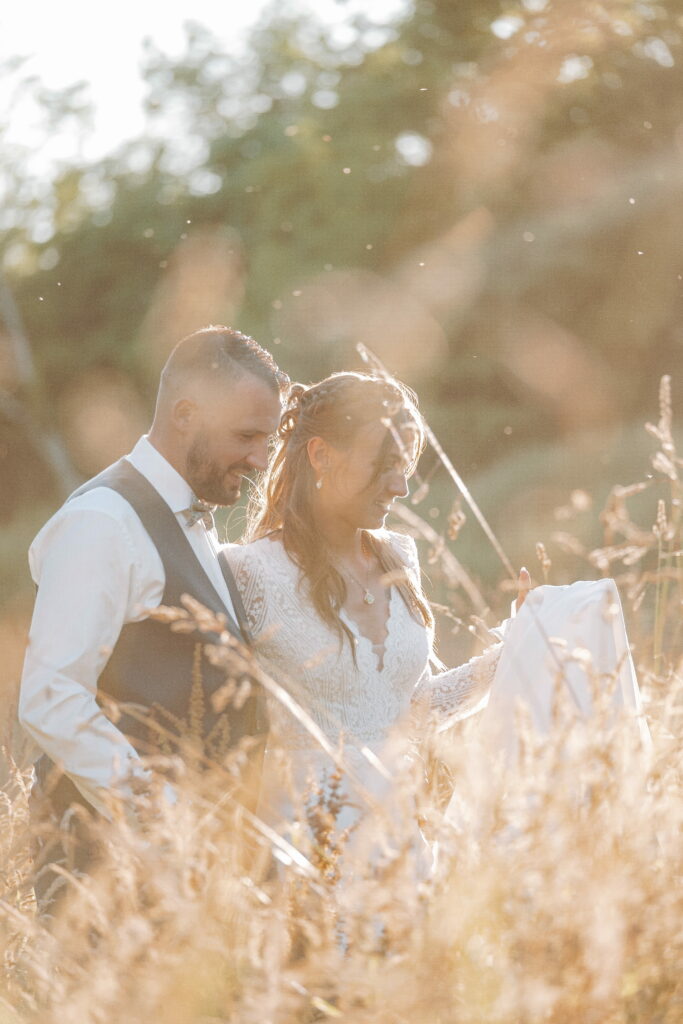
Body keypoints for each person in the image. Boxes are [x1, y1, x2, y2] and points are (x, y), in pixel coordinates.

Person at [225, 372, 650, 866]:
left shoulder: (398, 557)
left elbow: (415, 712)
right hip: (307, 845)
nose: (402, 487)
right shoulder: (249, 572)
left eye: (406, 467)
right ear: (321, 455)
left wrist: (518, 643)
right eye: (385, 466)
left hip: (402, 844)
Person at [18, 325, 286, 910]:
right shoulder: (103, 523)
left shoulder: (194, 517)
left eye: (267, 439)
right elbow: (50, 697)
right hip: (107, 886)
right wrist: (166, 821)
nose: (260, 460)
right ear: (186, 414)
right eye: (246, 436)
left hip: (191, 890)